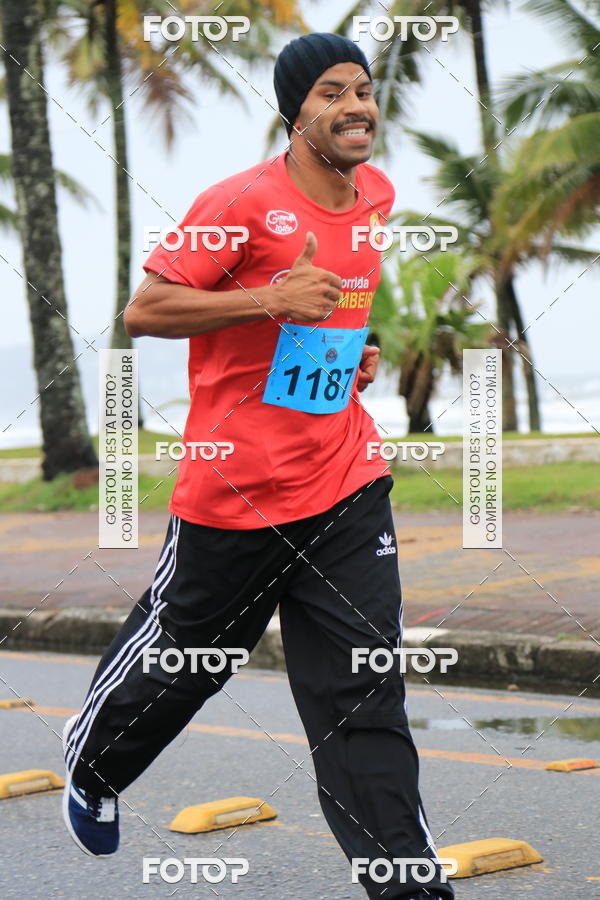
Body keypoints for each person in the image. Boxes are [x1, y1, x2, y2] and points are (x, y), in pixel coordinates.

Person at [62, 32, 454, 900]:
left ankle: (408, 886)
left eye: (362, 89)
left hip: (345, 479)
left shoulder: (376, 195)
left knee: (364, 693)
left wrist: (351, 354)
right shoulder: (239, 202)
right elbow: (145, 309)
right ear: (293, 113)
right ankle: (94, 762)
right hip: (236, 491)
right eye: (330, 93)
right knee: (189, 665)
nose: (355, 106)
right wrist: (271, 297)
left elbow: (338, 300)